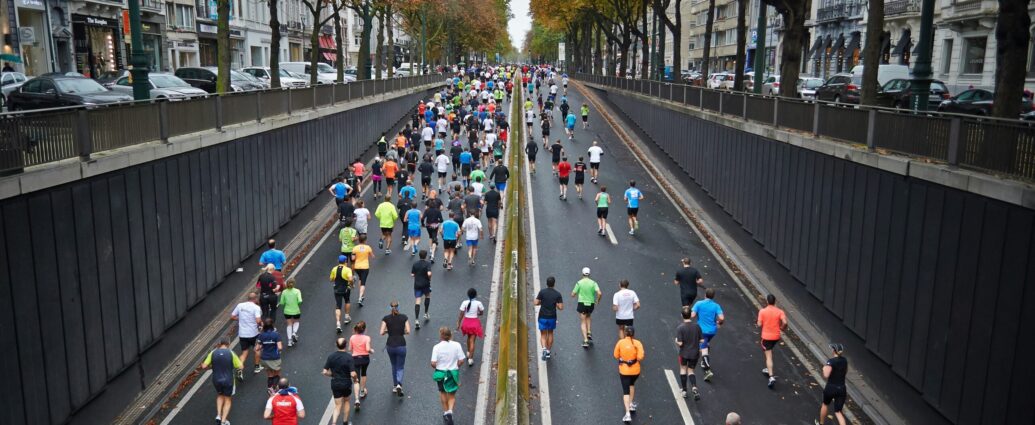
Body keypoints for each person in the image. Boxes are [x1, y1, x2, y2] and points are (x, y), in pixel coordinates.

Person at [431, 327, 467, 425]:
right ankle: (450, 412)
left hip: (441, 373)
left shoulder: (436, 347)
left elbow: (433, 363)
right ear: (450, 335)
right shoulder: (457, 345)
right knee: (451, 395)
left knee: (442, 392)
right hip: (452, 373)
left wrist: (437, 366)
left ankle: (446, 412)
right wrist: (456, 366)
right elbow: (462, 360)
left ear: (441, 335)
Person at [202, 339, 242, 425]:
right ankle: (223, 421)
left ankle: (218, 415)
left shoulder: (213, 352)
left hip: (216, 379)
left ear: (219, 344)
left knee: (220, 395)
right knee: (228, 399)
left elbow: (204, 366)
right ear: (228, 344)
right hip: (228, 380)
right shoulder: (231, 353)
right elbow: (241, 366)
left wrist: (211, 367)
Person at [691, 288, 724, 382]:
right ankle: (704, 361)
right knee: (706, 344)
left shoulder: (699, 303)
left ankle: (707, 369)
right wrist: (719, 323)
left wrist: (685, 316)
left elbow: (692, 315)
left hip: (701, 331)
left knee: (703, 349)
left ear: (705, 294)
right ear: (713, 296)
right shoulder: (716, 306)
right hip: (712, 331)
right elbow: (722, 318)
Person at [613, 326, 645, 423]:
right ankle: (631, 404)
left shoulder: (620, 342)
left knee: (625, 391)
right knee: (632, 384)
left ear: (625, 333)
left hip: (624, 371)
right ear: (633, 334)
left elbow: (615, 355)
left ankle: (627, 414)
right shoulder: (638, 343)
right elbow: (640, 357)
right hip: (635, 371)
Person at [323, 337, 358, 425]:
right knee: (346, 401)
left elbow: (324, 371)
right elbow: (353, 373)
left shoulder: (331, 356)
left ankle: (334, 423)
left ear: (336, 345)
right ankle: (345, 422)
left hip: (335, 383)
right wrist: (355, 380)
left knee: (338, 405)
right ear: (345, 345)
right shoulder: (349, 357)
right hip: (346, 383)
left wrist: (332, 375)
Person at [757, 294, 788, 389]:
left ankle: (771, 376)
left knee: (768, 356)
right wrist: (782, 328)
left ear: (767, 301)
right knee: (769, 352)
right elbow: (785, 322)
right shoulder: (780, 311)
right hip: (776, 337)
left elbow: (759, 324)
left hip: (766, 337)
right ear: (775, 301)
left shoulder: (762, 311)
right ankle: (768, 368)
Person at [381, 300, 411, 395]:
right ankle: (399, 384)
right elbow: (408, 331)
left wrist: (388, 331)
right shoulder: (404, 317)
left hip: (390, 345)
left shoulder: (386, 318)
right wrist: (401, 331)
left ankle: (395, 386)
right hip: (401, 344)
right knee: (400, 366)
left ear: (390, 308)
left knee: (394, 365)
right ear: (398, 307)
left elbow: (381, 332)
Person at [675, 306, 704, 400]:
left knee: (683, 369)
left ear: (681, 315)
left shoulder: (680, 328)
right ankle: (694, 387)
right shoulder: (697, 326)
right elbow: (702, 340)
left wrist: (676, 340)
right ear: (691, 315)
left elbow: (680, 343)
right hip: (695, 353)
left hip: (684, 353)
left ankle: (684, 390)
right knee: (691, 370)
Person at [231, 292, 264, 376]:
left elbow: (232, 317)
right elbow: (257, 320)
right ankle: (257, 367)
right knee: (257, 349)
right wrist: (261, 323)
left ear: (248, 298)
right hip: (254, 333)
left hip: (242, 334)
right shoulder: (256, 308)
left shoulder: (240, 305)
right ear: (256, 299)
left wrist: (240, 318)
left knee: (244, 352)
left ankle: (239, 368)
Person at [817, 343, 849, 425]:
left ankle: (821, 423)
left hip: (831, 388)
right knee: (838, 412)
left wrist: (824, 368)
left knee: (825, 404)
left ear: (834, 351)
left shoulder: (831, 362)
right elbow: (845, 372)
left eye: (832, 349)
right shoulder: (844, 360)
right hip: (842, 388)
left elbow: (826, 375)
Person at [535, 276, 564, 360]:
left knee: (543, 334)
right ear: (554, 284)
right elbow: (561, 307)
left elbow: (536, 302)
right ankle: (548, 351)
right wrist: (556, 305)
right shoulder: (557, 294)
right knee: (550, 333)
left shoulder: (542, 292)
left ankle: (544, 348)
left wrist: (541, 302)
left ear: (546, 283)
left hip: (542, 316)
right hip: (552, 317)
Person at [571, 267, 602, 348]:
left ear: (582, 273)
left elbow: (573, 294)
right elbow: (599, 293)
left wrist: (576, 294)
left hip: (582, 303)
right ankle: (589, 331)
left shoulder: (579, 283)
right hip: (591, 303)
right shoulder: (593, 283)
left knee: (582, 321)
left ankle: (585, 340)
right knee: (588, 316)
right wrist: (597, 300)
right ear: (589, 274)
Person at [456, 288, 485, 367]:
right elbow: (481, 312)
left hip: (466, 323)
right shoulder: (478, 303)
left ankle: (468, 352)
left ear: (468, 295)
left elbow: (461, 314)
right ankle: (470, 359)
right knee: (472, 340)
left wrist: (458, 323)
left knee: (468, 338)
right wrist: (477, 313)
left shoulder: (464, 303)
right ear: (475, 295)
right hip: (474, 323)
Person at [256, 318, 283, 395]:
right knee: (277, 373)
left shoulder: (261, 335)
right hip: (274, 357)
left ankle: (270, 388)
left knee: (270, 374)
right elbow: (280, 347)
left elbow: (257, 348)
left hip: (264, 358)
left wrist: (264, 345)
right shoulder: (276, 335)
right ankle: (274, 389)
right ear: (272, 325)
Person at [349, 322, 372, 409]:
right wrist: (371, 351)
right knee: (364, 373)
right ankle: (362, 391)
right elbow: (367, 349)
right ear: (364, 329)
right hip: (365, 358)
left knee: (356, 379)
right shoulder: (367, 338)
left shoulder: (352, 337)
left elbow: (350, 349)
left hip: (355, 359)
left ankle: (356, 399)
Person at [330, 255, 354, 332]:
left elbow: (331, 279)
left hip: (337, 289)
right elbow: (350, 279)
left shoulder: (334, 269)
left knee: (338, 306)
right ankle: (346, 317)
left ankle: (338, 323)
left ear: (338, 261)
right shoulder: (347, 269)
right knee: (347, 301)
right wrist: (352, 284)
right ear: (345, 261)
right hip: (346, 288)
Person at [412, 250, 433, 328]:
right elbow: (429, 273)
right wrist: (429, 278)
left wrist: (416, 276)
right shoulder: (428, 264)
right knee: (427, 296)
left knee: (418, 301)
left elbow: (412, 274)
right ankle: (426, 313)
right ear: (426, 256)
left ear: (419, 256)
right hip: (425, 284)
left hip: (417, 284)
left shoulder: (415, 264)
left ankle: (417, 320)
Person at [279, 279, 303, 347]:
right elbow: (300, 300)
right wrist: (297, 304)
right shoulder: (297, 291)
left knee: (289, 324)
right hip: (296, 310)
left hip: (287, 311)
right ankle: (294, 333)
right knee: (296, 322)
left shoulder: (284, 292)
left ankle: (289, 341)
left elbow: (282, 302)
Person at [351, 235, 374, 307]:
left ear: (359, 240)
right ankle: (360, 297)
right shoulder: (368, 247)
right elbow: (372, 256)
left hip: (357, 267)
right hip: (365, 267)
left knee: (360, 279)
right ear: (365, 240)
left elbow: (353, 258)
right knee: (363, 282)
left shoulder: (355, 248)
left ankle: (362, 294)